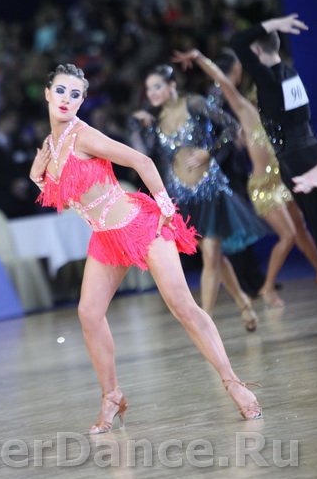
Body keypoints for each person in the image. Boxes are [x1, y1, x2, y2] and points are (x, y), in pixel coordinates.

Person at [29, 63, 262, 434]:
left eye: (75, 94)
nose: (66, 99)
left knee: (182, 306)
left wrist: (165, 206)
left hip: (141, 226)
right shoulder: (50, 146)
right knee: (89, 314)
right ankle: (111, 396)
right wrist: (36, 176)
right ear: (47, 93)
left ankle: (234, 383)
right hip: (106, 238)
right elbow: (65, 195)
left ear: (83, 101)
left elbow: (142, 161)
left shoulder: (84, 136)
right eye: (60, 91)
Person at [172, 48, 317, 306]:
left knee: (300, 230)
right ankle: (267, 288)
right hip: (262, 187)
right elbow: (224, 81)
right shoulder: (247, 113)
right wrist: (199, 58)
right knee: (288, 235)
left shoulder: (276, 121)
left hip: (281, 182)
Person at [129, 65, 269, 331]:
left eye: (157, 86)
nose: (152, 93)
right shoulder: (155, 120)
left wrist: (210, 152)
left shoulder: (194, 103)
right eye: (148, 89)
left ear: (172, 86)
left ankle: (205, 322)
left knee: (212, 253)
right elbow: (143, 157)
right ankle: (243, 302)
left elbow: (231, 126)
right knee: (212, 256)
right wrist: (137, 126)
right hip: (181, 197)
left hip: (210, 191)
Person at [230, 13, 317, 278]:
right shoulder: (290, 72)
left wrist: (272, 24)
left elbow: (237, 41)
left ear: (256, 51)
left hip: (295, 160)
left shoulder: (268, 78)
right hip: (314, 151)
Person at [207, 49, 267, 299]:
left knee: (243, 225)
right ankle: (247, 283)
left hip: (235, 167)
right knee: (236, 227)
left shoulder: (223, 92)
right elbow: (214, 133)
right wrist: (231, 139)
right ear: (235, 69)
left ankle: (255, 279)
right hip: (225, 170)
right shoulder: (216, 95)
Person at [0, 108, 38, 218]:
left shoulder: (20, 144)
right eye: (13, 121)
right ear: (3, 120)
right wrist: (12, 185)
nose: (15, 125)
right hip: (0, 202)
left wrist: (24, 183)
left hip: (24, 203)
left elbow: (29, 166)